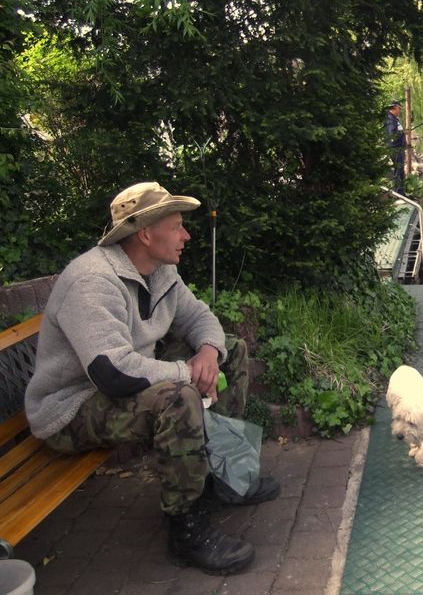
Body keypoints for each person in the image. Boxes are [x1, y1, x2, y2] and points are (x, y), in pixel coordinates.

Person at [24, 182, 280, 575]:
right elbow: (113, 371)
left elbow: (198, 318)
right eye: (177, 225)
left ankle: (224, 477)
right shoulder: (92, 281)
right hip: (72, 407)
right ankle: (187, 530)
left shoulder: (161, 272)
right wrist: (187, 372)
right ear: (145, 233)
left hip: (120, 387)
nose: (186, 235)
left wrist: (209, 353)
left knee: (230, 350)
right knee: (179, 396)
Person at [384, 99, 407, 195]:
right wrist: (402, 133)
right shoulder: (390, 119)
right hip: (395, 149)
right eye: (399, 109)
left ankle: (401, 192)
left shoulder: (393, 118)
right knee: (398, 172)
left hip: (398, 148)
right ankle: (398, 194)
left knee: (401, 172)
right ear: (395, 108)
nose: (400, 111)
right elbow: (392, 135)